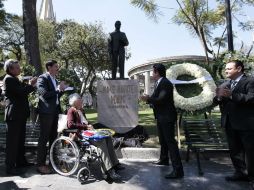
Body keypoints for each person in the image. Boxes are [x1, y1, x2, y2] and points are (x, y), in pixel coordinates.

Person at [213, 60, 254, 188]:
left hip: (246, 123)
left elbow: (251, 98)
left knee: (251, 152)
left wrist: (231, 95)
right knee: (235, 151)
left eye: (229, 69)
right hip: (230, 123)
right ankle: (240, 173)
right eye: (226, 69)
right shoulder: (226, 83)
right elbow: (217, 101)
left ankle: (252, 178)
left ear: (239, 69)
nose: (226, 71)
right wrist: (218, 97)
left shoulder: (250, 81)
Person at [67, 93, 124, 182]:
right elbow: (70, 125)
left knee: (107, 137)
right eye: (80, 100)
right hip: (80, 135)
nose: (82, 101)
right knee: (101, 142)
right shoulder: (71, 110)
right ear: (75, 102)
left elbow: (85, 121)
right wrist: (85, 127)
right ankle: (108, 170)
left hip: (88, 132)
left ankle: (115, 164)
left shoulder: (81, 110)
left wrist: (89, 125)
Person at [140, 63, 184, 179]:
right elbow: (155, 98)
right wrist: (149, 99)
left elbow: (160, 100)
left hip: (167, 116)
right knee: (163, 140)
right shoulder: (158, 83)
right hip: (160, 116)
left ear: (157, 72)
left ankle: (178, 170)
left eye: (153, 72)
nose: (152, 74)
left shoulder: (165, 83)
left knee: (170, 142)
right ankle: (164, 159)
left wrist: (148, 99)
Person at [3, 59, 37, 175]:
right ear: (10, 69)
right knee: (12, 142)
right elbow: (21, 92)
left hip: (19, 115)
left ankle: (20, 161)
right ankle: (10, 166)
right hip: (14, 115)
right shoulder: (9, 79)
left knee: (20, 140)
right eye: (17, 67)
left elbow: (23, 89)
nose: (19, 69)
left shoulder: (15, 79)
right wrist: (31, 85)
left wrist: (30, 84)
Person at [36, 60, 68, 174]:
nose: (57, 68)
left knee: (53, 138)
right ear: (49, 67)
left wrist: (62, 90)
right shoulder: (42, 78)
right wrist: (58, 89)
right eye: (55, 66)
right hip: (46, 113)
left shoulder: (55, 80)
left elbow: (55, 95)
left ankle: (53, 162)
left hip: (55, 112)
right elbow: (43, 93)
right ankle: (40, 164)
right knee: (44, 138)